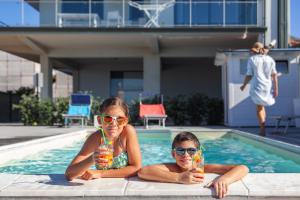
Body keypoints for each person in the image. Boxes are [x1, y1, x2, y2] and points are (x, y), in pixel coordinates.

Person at [138, 132, 249, 199]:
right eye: (180, 151)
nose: (186, 155)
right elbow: (143, 171)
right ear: (173, 154)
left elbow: (243, 168)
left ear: (198, 154)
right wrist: (179, 177)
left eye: (191, 150)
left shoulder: (201, 167)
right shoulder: (172, 168)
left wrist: (224, 179)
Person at [65, 97, 142, 181]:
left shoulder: (127, 132)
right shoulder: (96, 138)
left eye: (119, 119)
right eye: (107, 118)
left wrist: (101, 173)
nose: (113, 123)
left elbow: (136, 168)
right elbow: (69, 174)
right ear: (99, 120)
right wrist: (92, 159)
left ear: (125, 122)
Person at [240, 42, 278, 136]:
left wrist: (244, 85)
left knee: (258, 108)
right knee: (262, 106)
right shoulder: (270, 59)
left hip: (257, 85)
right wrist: (276, 88)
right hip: (268, 86)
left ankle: (262, 129)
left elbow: (249, 74)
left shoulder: (252, 59)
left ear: (255, 50)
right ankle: (263, 126)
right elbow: (274, 75)